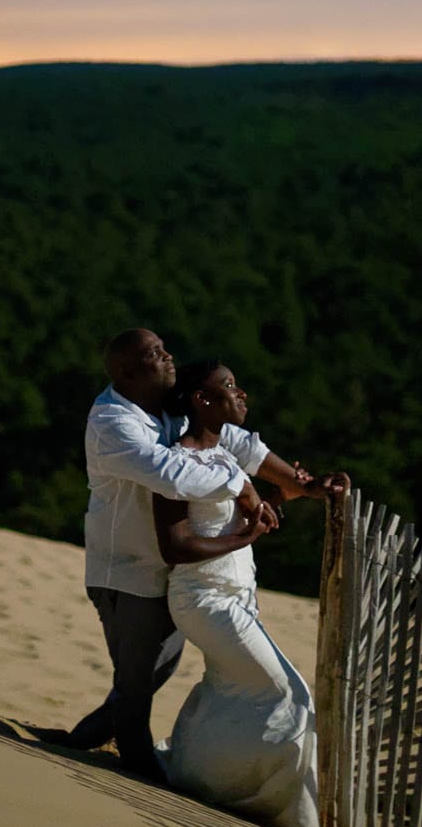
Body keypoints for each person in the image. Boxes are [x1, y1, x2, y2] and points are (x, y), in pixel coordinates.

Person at [64, 328, 345, 781]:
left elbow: (232, 439)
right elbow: (168, 472)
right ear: (127, 372)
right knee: (137, 683)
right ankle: (140, 769)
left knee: (153, 673)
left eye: (164, 348)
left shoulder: (169, 404)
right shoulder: (112, 421)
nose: (168, 357)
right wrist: (243, 487)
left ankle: (78, 741)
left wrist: (300, 483)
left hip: (169, 571)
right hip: (126, 571)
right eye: (155, 354)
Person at [153, 359, 331, 827]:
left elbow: (263, 481)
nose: (242, 394)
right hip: (203, 599)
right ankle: (287, 811)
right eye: (229, 387)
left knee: (227, 690)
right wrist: (244, 536)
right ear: (202, 401)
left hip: (235, 598)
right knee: (288, 694)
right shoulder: (176, 461)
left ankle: (194, 772)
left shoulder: (225, 454)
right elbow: (176, 546)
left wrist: (304, 491)